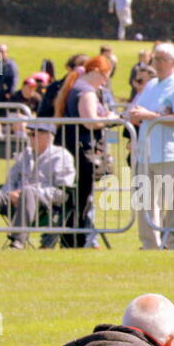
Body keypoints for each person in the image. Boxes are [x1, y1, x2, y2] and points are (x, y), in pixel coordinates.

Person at [126, 43, 174, 250]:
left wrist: (151, 116)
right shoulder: (150, 85)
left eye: (161, 59)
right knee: (146, 203)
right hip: (146, 152)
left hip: (170, 150)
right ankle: (150, 244)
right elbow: (136, 109)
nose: (156, 63)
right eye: (155, 59)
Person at [0, 121, 75, 249]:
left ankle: (18, 241)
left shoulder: (61, 156)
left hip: (44, 204)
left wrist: (29, 193)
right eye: (29, 134)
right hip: (15, 199)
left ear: (48, 136)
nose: (30, 138)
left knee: (28, 191)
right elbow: (11, 179)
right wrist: (10, 193)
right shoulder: (25, 155)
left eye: (34, 134)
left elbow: (62, 190)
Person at [52, 53, 114, 248]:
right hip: (83, 150)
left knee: (77, 196)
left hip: (74, 147)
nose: (105, 82)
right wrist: (112, 119)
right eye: (105, 77)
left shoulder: (76, 86)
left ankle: (72, 238)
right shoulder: (86, 91)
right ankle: (75, 239)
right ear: (95, 71)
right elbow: (90, 122)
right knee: (81, 197)